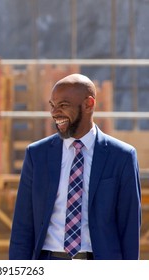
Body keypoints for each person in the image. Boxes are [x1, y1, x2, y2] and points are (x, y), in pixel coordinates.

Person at [9, 73, 141, 260]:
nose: (55, 113)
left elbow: (129, 228)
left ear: (89, 104)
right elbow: (23, 227)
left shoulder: (122, 156)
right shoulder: (36, 155)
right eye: (52, 106)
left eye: (63, 105)